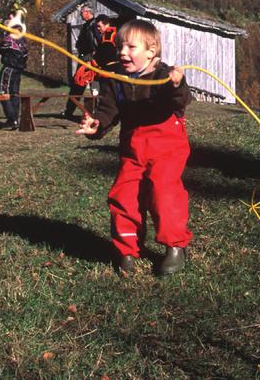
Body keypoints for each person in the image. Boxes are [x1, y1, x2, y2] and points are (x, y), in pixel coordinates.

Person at [76, 19, 192, 276]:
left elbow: (181, 101)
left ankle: (175, 246)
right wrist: (97, 125)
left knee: (164, 192)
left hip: (166, 146)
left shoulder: (164, 75)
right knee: (124, 194)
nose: (122, 52)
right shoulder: (115, 77)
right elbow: (108, 110)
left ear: (151, 51)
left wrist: (177, 85)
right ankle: (127, 248)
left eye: (131, 47)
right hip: (133, 146)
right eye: (120, 46)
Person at [62, 4, 98, 119]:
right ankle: (69, 110)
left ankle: (97, 112)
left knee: (94, 86)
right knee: (77, 84)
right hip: (84, 57)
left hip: (89, 59)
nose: (81, 14)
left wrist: (91, 58)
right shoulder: (86, 25)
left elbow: (95, 43)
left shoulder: (94, 25)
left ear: (88, 12)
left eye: (82, 12)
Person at [0, 22, 29, 130]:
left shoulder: (8, 40)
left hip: (9, 68)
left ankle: (12, 119)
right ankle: (15, 118)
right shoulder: (24, 42)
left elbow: (1, 49)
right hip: (19, 69)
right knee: (14, 93)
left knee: (3, 93)